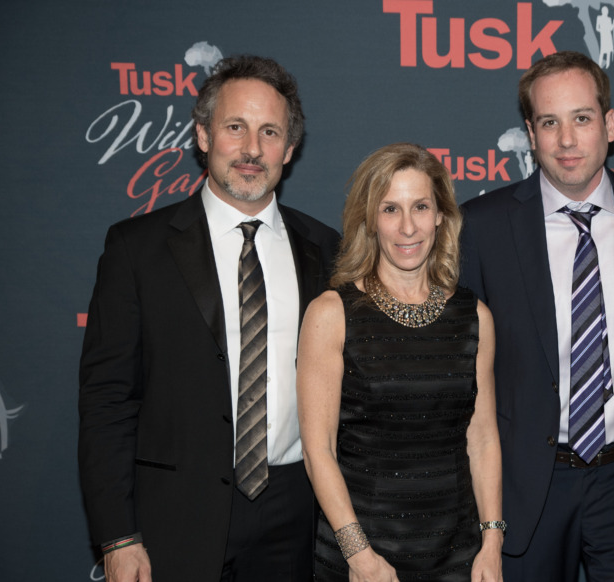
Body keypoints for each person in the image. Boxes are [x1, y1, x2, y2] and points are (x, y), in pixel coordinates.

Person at [78, 55, 340, 581]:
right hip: (172, 516)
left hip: (294, 516)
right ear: (202, 135)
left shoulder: (326, 250)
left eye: (269, 132)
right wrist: (119, 535)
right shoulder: (136, 249)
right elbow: (107, 400)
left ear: (289, 150)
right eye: (235, 127)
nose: (251, 149)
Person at [459, 51, 614, 581]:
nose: (566, 140)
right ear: (530, 135)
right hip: (527, 486)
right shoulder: (481, 226)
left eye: (581, 119)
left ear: (608, 124)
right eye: (549, 123)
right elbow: (464, 372)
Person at [298, 143, 503, 582]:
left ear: (441, 216)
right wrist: (360, 557)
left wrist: (492, 542)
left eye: (420, 207)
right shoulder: (331, 314)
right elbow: (319, 452)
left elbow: (483, 439)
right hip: (363, 555)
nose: (408, 227)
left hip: (458, 555)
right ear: (370, 220)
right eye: (390, 209)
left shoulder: (475, 317)